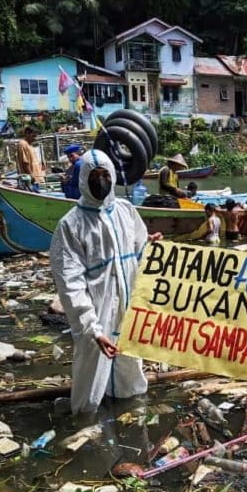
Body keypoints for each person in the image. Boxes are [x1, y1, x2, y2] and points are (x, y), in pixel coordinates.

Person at [49, 149, 163, 414]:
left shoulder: (125, 210)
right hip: (98, 310)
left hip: (128, 304)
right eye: (94, 176)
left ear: (112, 176)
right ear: (83, 179)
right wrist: (92, 328)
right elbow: (70, 283)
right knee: (92, 369)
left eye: (105, 175)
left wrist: (151, 246)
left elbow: (137, 251)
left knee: (129, 365)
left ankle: (129, 411)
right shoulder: (71, 225)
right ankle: (85, 421)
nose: (100, 181)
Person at [16, 126, 46, 192]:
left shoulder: (30, 145)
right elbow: (25, 162)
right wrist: (31, 175)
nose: (35, 138)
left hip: (37, 177)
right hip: (31, 179)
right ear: (27, 133)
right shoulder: (22, 144)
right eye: (33, 136)